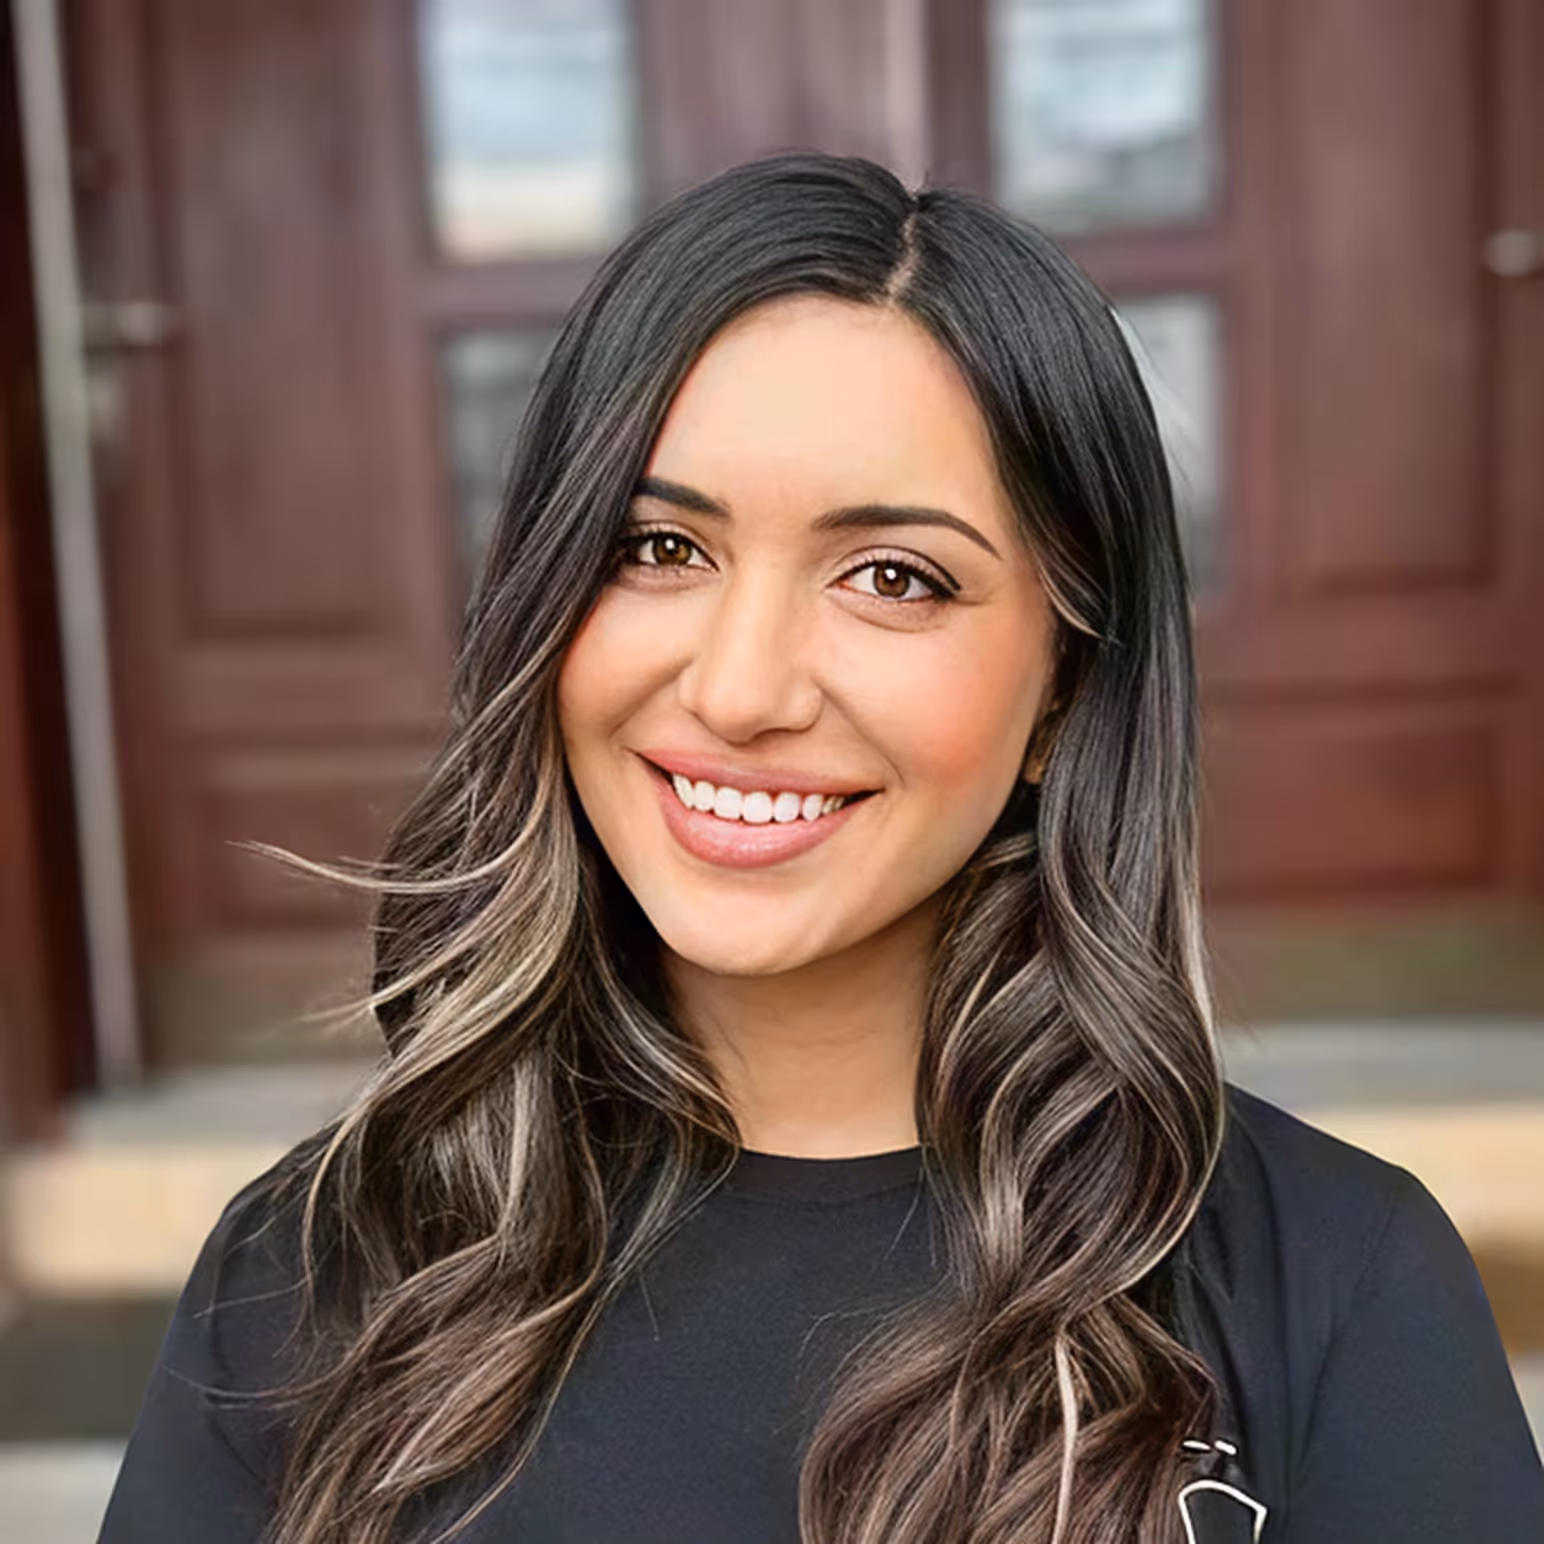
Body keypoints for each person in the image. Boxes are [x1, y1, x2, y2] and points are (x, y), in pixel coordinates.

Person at [99, 151, 1544, 1544]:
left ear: (1065, 691)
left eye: (892, 577)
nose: (739, 689)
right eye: (658, 548)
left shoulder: (1334, 1289)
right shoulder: (312, 1270)